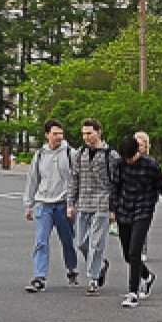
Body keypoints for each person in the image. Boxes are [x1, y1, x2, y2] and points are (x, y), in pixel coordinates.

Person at [110, 133, 162, 308]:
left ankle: (133, 293)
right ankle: (147, 276)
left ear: (138, 152)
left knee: (135, 251)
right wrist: (112, 210)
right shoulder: (119, 164)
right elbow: (115, 189)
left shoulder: (151, 166)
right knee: (127, 254)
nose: (129, 162)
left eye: (131, 158)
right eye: (126, 159)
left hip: (143, 210)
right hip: (124, 210)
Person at [23, 120, 78, 293]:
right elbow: (32, 180)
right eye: (55, 134)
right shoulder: (40, 155)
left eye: (61, 134)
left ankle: (72, 269)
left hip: (63, 204)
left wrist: (73, 203)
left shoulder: (70, 154)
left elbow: (75, 180)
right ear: (47, 135)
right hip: (43, 204)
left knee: (67, 240)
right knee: (41, 241)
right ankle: (39, 277)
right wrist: (28, 204)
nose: (58, 137)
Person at [68, 120, 115, 294]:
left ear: (99, 132)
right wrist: (70, 204)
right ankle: (100, 265)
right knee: (81, 243)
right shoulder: (80, 154)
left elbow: (116, 183)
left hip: (102, 203)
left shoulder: (110, 155)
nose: (86, 137)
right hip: (83, 202)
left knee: (97, 243)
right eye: (84, 134)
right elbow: (74, 179)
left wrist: (114, 208)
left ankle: (93, 278)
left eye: (89, 133)